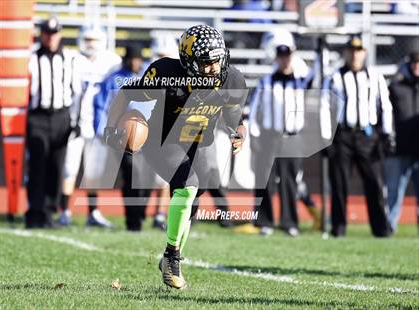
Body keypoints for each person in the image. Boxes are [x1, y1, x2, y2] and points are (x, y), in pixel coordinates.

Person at [104, 25, 247, 289]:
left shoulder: (232, 80)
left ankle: (172, 253)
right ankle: (172, 256)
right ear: (189, 62)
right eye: (206, 63)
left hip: (201, 143)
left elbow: (234, 116)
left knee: (192, 203)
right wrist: (111, 129)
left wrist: (239, 132)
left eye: (217, 60)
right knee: (187, 186)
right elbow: (126, 93)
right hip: (163, 140)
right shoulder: (167, 74)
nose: (214, 68)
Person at [321, 35, 393, 238]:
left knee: (375, 183)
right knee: (339, 184)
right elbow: (324, 108)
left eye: (359, 50)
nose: (355, 54)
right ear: (345, 52)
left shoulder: (374, 76)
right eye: (351, 50)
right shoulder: (334, 77)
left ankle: (380, 229)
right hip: (342, 135)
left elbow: (385, 106)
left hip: (367, 136)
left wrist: (387, 134)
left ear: (364, 53)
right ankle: (339, 228)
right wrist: (326, 138)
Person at [247, 29, 314, 237]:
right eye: (281, 56)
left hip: (292, 137)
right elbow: (254, 110)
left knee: (289, 181)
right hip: (269, 136)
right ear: (276, 58)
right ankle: (265, 222)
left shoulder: (301, 81)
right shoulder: (266, 82)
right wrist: (254, 136)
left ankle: (289, 222)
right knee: (265, 180)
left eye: (288, 56)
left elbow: (317, 75)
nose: (285, 61)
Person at [59, 24, 121, 227]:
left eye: (94, 40)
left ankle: (92, 213)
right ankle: (65, 212)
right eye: (87, 40)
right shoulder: (72, 59)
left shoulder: (112, 62)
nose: (91, 44)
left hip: (98, 126)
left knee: (93, 173)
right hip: (74, 124)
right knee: (69, 169)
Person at [25, 17, 81, 228]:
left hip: (61, 116)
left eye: (54, 33)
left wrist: (75, 121)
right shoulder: (31, 57)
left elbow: (77, 92)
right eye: (47, 33)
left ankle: (48, 213)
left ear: (59, 34)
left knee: (56, 167)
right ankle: (34, 213)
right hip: (37, 116)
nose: (50, 37)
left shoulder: (71, 58)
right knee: (37, 165)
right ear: (41, 34)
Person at [93, 45, 147, 231]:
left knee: (145, 176)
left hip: (147, 135)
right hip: (122, 136)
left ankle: (140, 214)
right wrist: (103, 131)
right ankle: (132, 221)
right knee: (132, 174)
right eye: (132, 59)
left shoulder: (149, 76)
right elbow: (101, 105)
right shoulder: (114, 79)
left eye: (138, 59)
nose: (135, 63)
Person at [384, 52, 419, 232]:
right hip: (400, 148)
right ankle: (390, 226)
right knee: (394, 191)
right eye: (414, 63)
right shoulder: (396, 86)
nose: (417, 67)